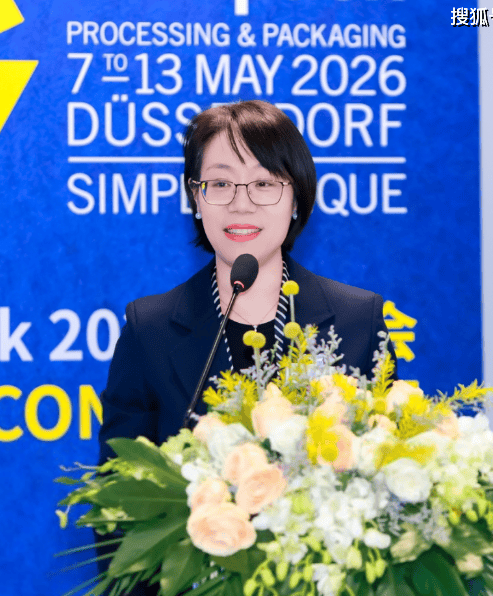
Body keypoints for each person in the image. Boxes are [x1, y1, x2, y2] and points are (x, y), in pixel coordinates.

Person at [95, 100, 396, 596]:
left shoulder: (358, 320)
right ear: (196, 198)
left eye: (263, 183)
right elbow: (118, 508)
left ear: (296, 197)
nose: (241, 203)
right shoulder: (149, 329)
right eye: (220, 183)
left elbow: (387, 487)